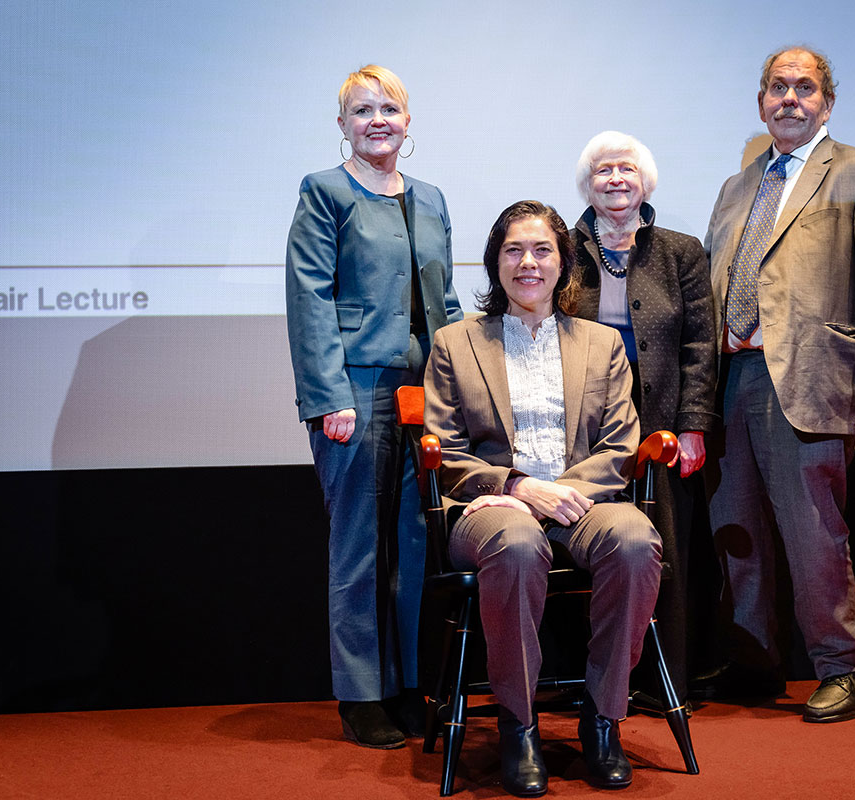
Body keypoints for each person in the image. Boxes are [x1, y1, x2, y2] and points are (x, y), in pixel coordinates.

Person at [424, 201, 662, 795]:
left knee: (635, 540)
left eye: (542, 250)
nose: (527, 263)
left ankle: (602, 719)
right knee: (516, 541)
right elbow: (445, 451)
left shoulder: (602, 343)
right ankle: (519, 725)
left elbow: (620, 444)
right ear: (494, 262)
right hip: (489, 509)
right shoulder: (456, 343)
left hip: (580, 501)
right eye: (513, 250)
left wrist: (560, 494)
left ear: (564, 264)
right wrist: (514, 488)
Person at [703, 46, 855, 722]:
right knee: (736, 530)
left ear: (826, 101)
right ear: (760, 99)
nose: (789, 98)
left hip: (812, 377)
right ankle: (755, 662)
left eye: (805, 88)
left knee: (812, 532)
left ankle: (839, 668)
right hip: (732, 375)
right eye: (777, 87)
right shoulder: (738, 186)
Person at [285, 64, 463, 748]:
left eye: (389, 107)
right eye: (363, 110)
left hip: (424, 391)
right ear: (342, 126)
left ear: (408, 120)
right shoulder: (324, 193)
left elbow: (445, 302)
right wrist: (329, 395)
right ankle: (361, 694)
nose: (377, 120)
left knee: (416, 545)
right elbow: (310, 299)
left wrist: (462, 390)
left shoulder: (431, 197)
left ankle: (407, 685)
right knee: (360, 546)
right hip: (355, 391)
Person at [570, 131, 717, 701]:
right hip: (583, 421)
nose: (615, 179)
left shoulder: (680, 251)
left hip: (661, 419)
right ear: (588, 183)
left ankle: (660, 684)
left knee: (662, 544)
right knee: (587, 537)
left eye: (626, 169)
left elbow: (700, 345)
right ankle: (589, 681)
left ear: (645, 180)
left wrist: (693, 424)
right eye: (603, 170)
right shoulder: (564, 246)